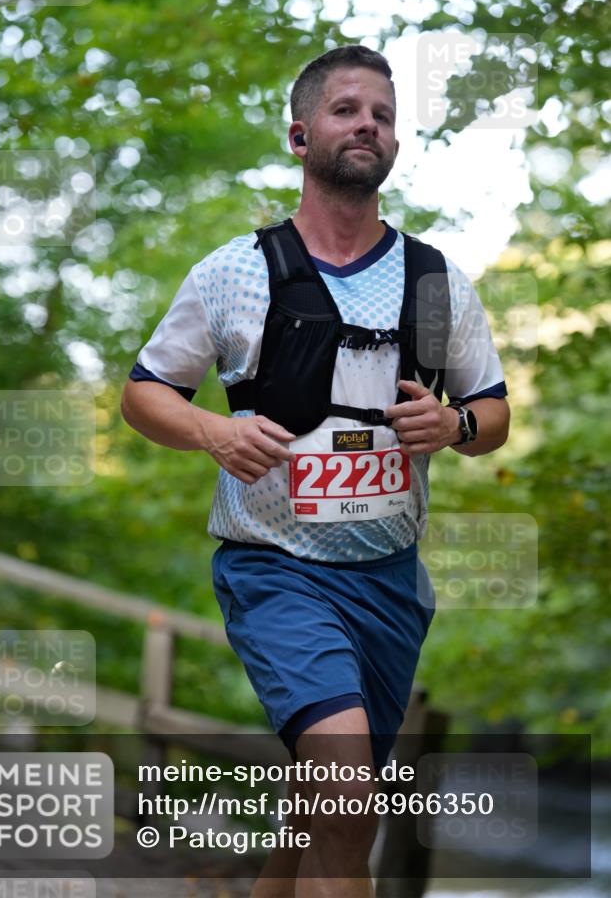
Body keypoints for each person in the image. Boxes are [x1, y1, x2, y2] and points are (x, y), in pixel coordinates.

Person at [121, 44, 510, 898]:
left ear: (395, 144)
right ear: (300, 136)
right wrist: (212, 433)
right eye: (344, 108)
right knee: (345, 788)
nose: (366, 122)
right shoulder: (232, 272)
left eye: (381, 112)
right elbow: (144, 394)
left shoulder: (436, 280)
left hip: (388, 581)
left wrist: (454, 424)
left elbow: (493, 417)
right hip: (274, 568)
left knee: (314, 812)